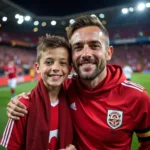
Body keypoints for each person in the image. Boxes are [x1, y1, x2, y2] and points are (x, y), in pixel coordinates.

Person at [5, 15, 150, 149]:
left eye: (94, 45)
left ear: (109, 52)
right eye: (78, 47)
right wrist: (19, 102)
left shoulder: (137, 97)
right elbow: (41, 94)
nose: (86, 54)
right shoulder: (66, 87)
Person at [0, 35, 76, 150]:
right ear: (37, 67)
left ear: (69, 69)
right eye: (49, 62)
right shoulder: (21, 107)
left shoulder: (75, 99)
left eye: (62, 63)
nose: (55, 67)